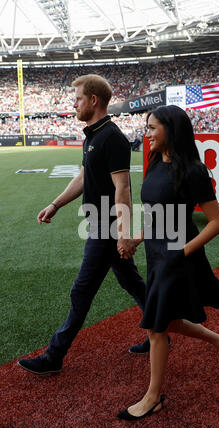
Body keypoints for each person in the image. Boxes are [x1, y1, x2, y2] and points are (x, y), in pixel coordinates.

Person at [17, 73, 148, 376]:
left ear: (93, 100)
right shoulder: (93, 134)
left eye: (77, 99)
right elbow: (83, 177)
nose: (72, 104)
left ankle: (54, 356)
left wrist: (125, 233)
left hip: (107, 226)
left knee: (81, 291)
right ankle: (159, 331)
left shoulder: (112, 137)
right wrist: (55, 204)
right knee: (131, 282)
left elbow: (123, 188)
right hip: (100, 223)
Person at [117, 105, 219, 421]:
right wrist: (137, 239)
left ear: (171, 130)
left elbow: (217, 222)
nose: (147, 133)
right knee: (166, 320)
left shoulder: (194, 171)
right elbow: (157, 214)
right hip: (156, 254)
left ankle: (153, 397)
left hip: (178, 256)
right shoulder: (154, 163)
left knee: (156, 327)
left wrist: (181, 253)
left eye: (153, 127)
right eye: (146, 127)